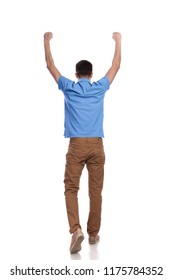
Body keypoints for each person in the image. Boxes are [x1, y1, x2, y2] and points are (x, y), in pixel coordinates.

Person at [44, 32, 121, 254]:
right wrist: (118, 41)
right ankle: (93, 233)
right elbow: (116, 66)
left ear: (76, 74)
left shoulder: (69, 87)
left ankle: (76, 230)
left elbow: (50, 66)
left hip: (76, 146)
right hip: (97, 145)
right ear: (92, 74)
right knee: (95, 192)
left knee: (71, 188)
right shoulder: (100, 87)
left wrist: (46, 41)